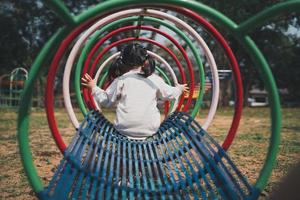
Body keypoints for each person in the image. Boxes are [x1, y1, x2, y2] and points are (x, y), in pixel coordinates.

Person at [81, 43, 188, 140]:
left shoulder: (121, 80)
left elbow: (106, 101)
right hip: (150, 128)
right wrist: (179, 89)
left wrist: (94, 87)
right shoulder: (154, 79)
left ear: (123, 61)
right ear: (145, 61)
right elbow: (170, 94)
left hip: (124, 129)